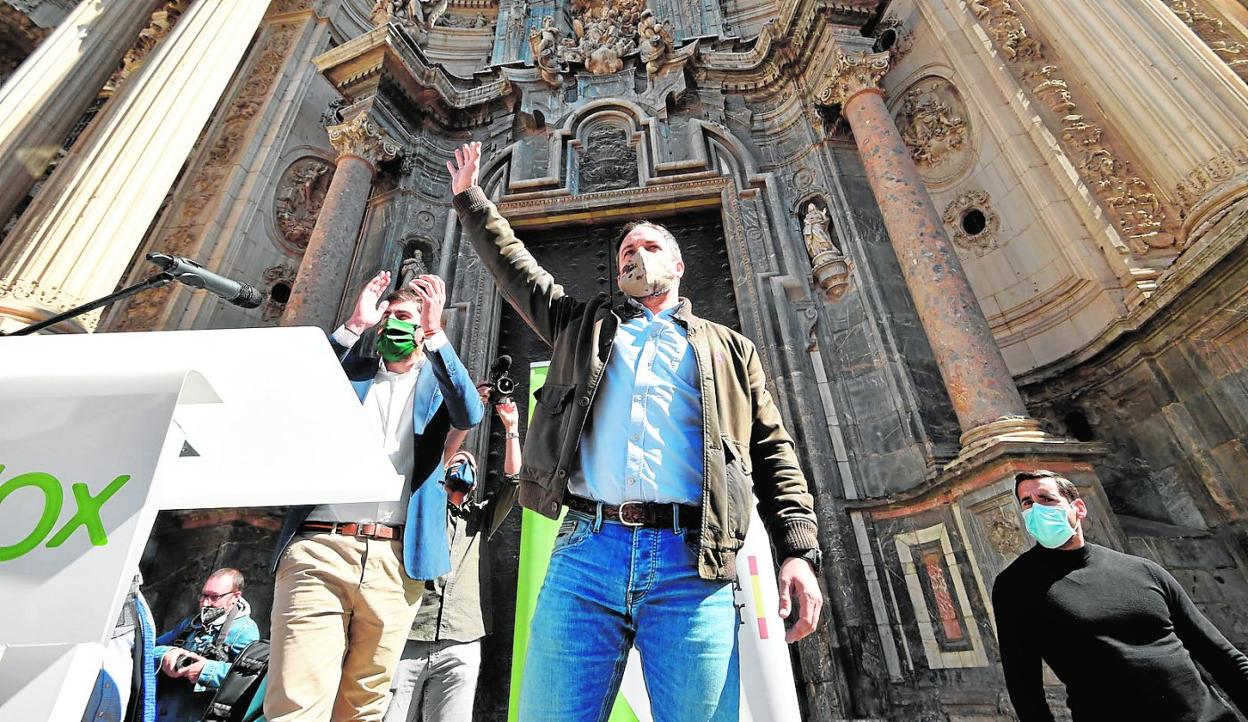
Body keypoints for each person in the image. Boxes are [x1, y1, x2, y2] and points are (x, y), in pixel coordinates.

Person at [447, 141, 824, 722]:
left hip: (692, 565)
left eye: (650, 247)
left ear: (679, 265)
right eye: (627, 250)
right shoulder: (583, 328)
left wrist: (798, 551)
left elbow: (774, 453)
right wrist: (472, 201)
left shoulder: (730, 349)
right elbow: (519, 271)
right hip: (586, 556)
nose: (636, 256)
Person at [265, 273, 483, 722]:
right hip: (321, 547)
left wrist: (436, 333)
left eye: (404, 317)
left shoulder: (438, 385)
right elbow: (296, 387)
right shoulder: (349, 375)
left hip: (395, 559)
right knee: (297, 700)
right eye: (388, 317)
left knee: (365, 705)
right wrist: (354, 326)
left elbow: (469, 411)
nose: (392, 325)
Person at [993, 469, 1248, 721]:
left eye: (1046, 499)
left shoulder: (1144, 570)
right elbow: (1024, 689)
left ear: (1078, 508)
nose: (1037, 510)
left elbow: (1220, 655)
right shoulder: (1016, 586)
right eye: (1028, 503)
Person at [384, 385, 521, 722]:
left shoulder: (480, 519)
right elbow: (437, 461)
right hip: (413, 633)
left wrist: (511, 429)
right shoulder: (423, 509)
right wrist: (467, 417)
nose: (463, 466)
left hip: (461, 638)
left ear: (474, 484)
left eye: (469, 465)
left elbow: (514, 480)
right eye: (458, 462)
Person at [153, 569, 260, 721]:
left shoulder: (245, 630)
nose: (205, 603)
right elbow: (149, 648)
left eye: (214, 597)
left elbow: (248, 678)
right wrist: (166, 654)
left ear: (236, 597)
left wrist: (205, 670)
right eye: (203, 595)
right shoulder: (191, 623)